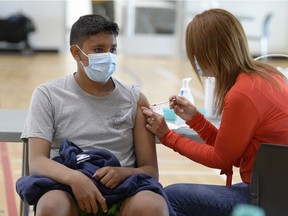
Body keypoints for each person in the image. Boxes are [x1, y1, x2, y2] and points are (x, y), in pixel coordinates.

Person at [141, 8, 288, 216]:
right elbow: (233, 152)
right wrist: (196, 120)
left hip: (266, 196)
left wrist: (167, 136)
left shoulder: (242, 93)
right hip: (275, 190)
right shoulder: (267, 76)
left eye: (196, 55)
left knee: (172, 196)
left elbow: (221, 159)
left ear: (210, 52)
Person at [20, 14, 171, 216]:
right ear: (76, 53)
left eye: (113, 49)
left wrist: (124, 172)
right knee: (51, 205)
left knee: (153, 206)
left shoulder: (134, 98)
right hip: (68, 189)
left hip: (124, 191)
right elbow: (37, 161)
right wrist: (76, 178)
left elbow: (151, 170)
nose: (108, 56)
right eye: (99, 50)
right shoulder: (47, 95)